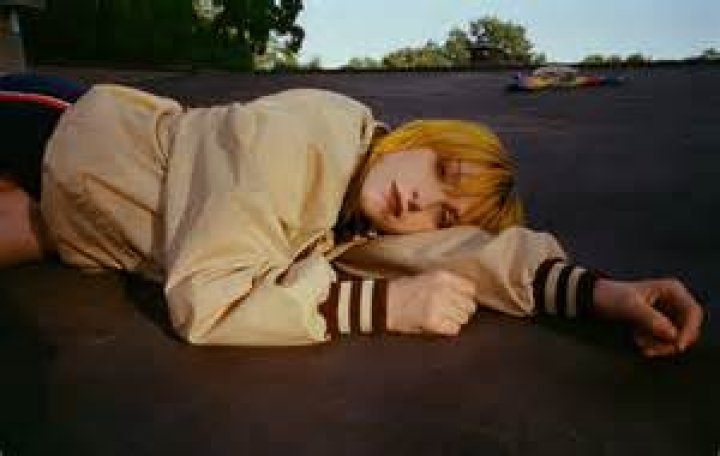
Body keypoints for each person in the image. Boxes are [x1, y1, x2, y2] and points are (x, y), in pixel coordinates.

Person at [0, 73, 703, 355]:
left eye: (445, 212)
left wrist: (606, 294)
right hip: (57, 133)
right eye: (441, 169)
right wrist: (381, 306)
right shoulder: (309, 138)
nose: (421, 200)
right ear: (420, 138)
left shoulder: (355, 216)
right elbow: (207, 303)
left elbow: (467, 253)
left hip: (72, 225)